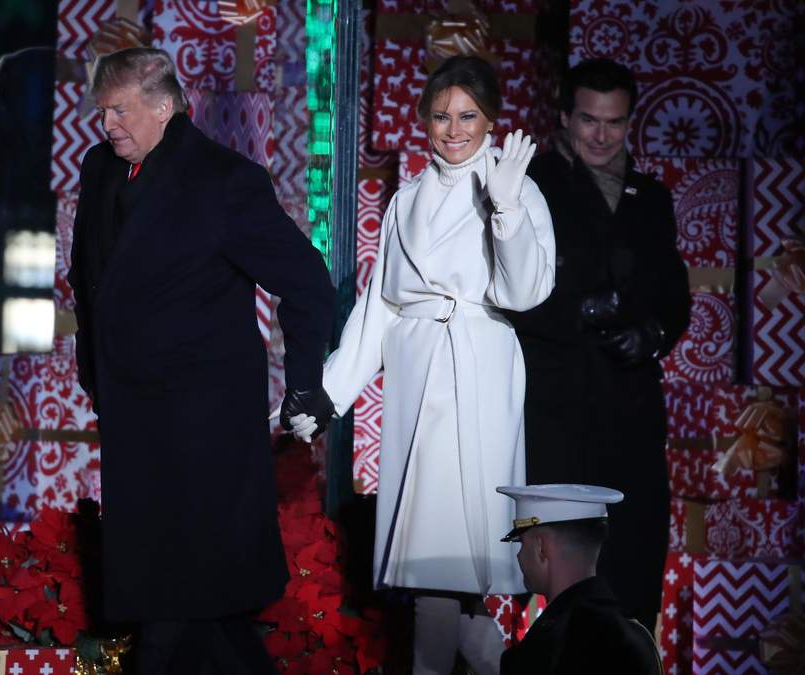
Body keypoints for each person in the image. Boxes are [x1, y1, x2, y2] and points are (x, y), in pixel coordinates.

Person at [67, 47, 336, 675]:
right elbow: (89, 276)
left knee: (182, 600)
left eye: (120, 111)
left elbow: (306, 281)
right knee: (198, 608)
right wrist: (94, 370)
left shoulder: (225, 181)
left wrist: (303, 383)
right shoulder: (99, 168)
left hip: (204, 431)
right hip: (133, 420)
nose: (107, 125)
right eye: (102, 112)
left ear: (165, 106)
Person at [287, 55, 555, 674]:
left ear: (491, 120)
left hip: (476, 372)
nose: (453, 129)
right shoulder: (407, 197)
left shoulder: (516, 187)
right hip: (416, 375)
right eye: (440, 116)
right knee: (442, 573)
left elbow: (525, 292)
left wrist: (507, 212)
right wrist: (329, 393)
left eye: (467, 116)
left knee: (444, 563)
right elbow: (381, 307)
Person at [503, 58, 691, 632]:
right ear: (565, 117)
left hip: (630, 408)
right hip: (556, 407)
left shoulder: (650, 197)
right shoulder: (531, 185)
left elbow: (674, 294)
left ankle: (629, 655)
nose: (602, 136)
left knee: (633, 563)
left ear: (630, 121)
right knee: (553, 565)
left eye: (615, 122)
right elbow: (503, 290)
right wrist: (577, 312)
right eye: (589, 120)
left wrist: (653, 335)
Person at [496, 484, 663, 675]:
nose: (519, 555)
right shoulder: (636, 633)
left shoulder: (545, 649)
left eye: (522, 543)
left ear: (542, 547)